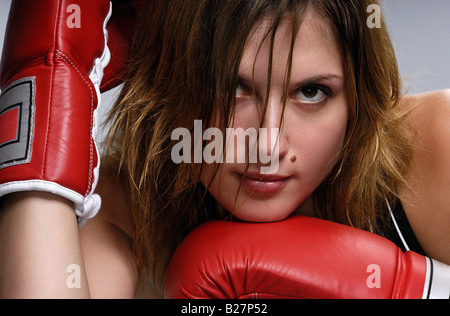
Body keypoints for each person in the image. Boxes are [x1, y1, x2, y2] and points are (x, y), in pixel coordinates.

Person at [0, 0, 449, 298]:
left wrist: (411, 287)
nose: (267, 144)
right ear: (167, 84)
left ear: (359, 94)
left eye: (311, 92)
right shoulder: (130, 204)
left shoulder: (433, 146)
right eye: (234, 88)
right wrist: (40, 136)